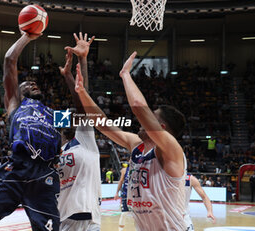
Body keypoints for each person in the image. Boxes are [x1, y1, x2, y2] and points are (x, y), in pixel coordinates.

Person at [75, 51, 187, 230]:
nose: (141, 122)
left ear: (162, 128)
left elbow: (138, 107)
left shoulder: (171, 150)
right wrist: (81, 92)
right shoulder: (137, 145)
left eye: (152, 118)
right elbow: (103, 124)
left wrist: (125, 74)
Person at [0, 32, 61, 231]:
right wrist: (27, 36)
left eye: (35, 83)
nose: (33, 83)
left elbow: (84, 117)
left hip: (44, 173)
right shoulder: (15, 103)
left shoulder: (53, 114)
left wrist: (74, 78)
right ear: (16, 92)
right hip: (16, 168)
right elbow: (9, 60)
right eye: (27, 83)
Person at [57, 32, 101, 231]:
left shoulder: (83, 140)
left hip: (87, 218)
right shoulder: (55, 152)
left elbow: (84, 103)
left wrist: (81, 62)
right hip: (62, 218)